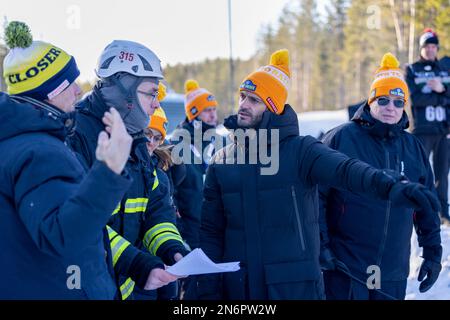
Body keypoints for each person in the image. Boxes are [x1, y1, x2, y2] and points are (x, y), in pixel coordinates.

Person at [197, 49, 440, 300]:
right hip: (248, 287)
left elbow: (348, 171)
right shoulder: (222, 161)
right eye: (243, 97)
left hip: (299, 287)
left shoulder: (301, 151)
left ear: (272, 107)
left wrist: (391, 186)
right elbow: (211, 231)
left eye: (254, 100)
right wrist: (205, 290)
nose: (243, 105)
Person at [0, 21, 137, 299]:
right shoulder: (37, 151)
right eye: (70, 83)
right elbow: (62, 236)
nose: (78, 90)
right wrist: (109, 170)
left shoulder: (20, 142)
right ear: (48, 92)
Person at [68, 40, 187, 300]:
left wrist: (172, 248)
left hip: (127, 290)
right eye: (151, 93)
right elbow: (80, 224)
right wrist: (135, 262)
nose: (157, 103)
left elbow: (155, 206)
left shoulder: (137, 141)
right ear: (125, 90)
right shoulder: (75, 136)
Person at [319, 53, 442, 300]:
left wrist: (432, 253)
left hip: (392, 273)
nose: (390, 108)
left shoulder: (413, 146)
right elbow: (317, 197)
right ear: (371, 100)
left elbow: (426, 205)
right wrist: (320, 246)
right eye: (383, 100)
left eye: (399, 102)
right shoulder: (341, 139)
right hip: (345, 268)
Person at [170, 79, 221, 299]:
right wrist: (180, 231)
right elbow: (168, 195)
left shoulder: (221, 142)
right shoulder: (175, 144)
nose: (212, 115)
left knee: (217, 288)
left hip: (217, 230)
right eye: (206, 110)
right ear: (193, 114)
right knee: (193, 291)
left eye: (214, 110)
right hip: (191, 231)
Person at [405, 28, 450, 224]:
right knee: (419, 171)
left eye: (434, 46)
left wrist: (443, 89)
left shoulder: (444, 69)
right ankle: (417, 209)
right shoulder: (412, 69)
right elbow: (415, 98)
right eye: (427, 46)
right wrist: (441, 97)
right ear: (421, 48)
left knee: (442, 173)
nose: (431, 50)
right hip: (422, 130)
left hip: (443, 130)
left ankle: (442, 211)